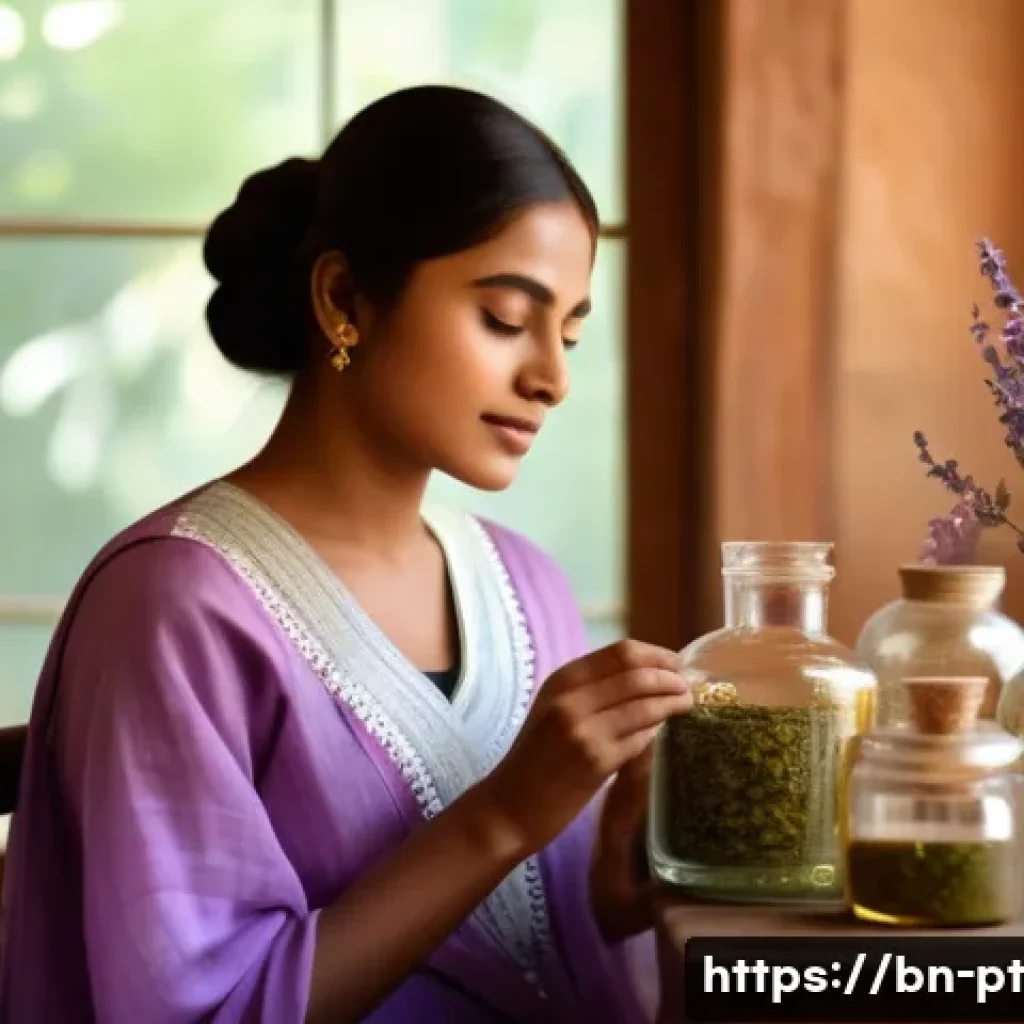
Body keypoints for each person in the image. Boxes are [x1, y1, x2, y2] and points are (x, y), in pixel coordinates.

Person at [0, 85, 693, 1023]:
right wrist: (503, 816)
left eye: (568, 331)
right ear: (341, 299)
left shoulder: (529, 586)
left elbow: (546, 950)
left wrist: (625, 876)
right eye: (503, 318)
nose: (552, 377)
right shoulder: (172, 608)